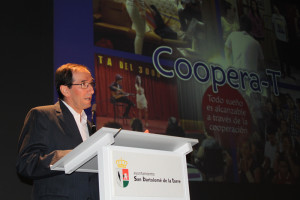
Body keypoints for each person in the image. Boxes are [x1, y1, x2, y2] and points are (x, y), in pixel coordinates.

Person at [16, 63, 99, 199]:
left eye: (91, 84)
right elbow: (26, 164)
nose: (91, 91)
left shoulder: (90, 127)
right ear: (65, 90)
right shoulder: (43, 115)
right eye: (84, 84)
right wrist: (70, 156)